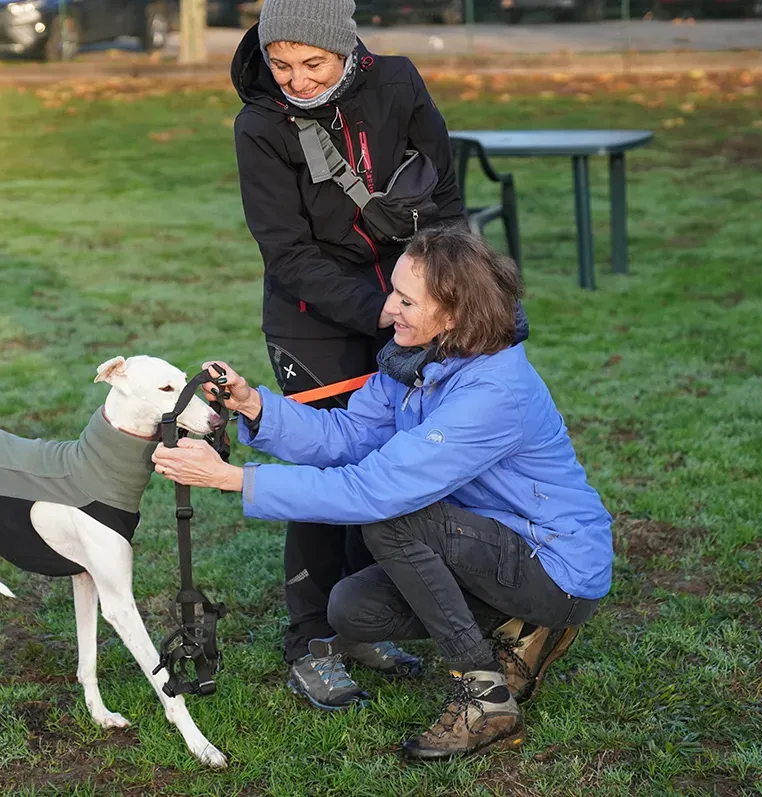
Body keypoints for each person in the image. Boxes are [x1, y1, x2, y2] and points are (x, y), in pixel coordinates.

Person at [153, 225, 614, 761]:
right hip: (485, 547)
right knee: (353, 609)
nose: (389, 307)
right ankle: (518, 626)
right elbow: (348, 437)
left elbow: (374, 491)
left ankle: (484, 695)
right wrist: (256, 405)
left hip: (557, 566)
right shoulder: (416, 362)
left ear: (455, 312)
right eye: (393, 291)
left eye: (406, 299)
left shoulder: (495, 392)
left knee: (393, 518)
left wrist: (235, 479)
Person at [230, 0, 467, 708]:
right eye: (280, 64)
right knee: (325, 462)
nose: (295, 80)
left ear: (347, 52)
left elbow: (448, 201)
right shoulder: (260, 125)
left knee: (393, 458)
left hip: (411, 304)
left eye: (313, 64)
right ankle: (309, 641)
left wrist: (441, 301)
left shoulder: (397, 84)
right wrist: (387, 314)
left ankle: (358, 619)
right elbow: (287, 252)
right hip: (313, 315)